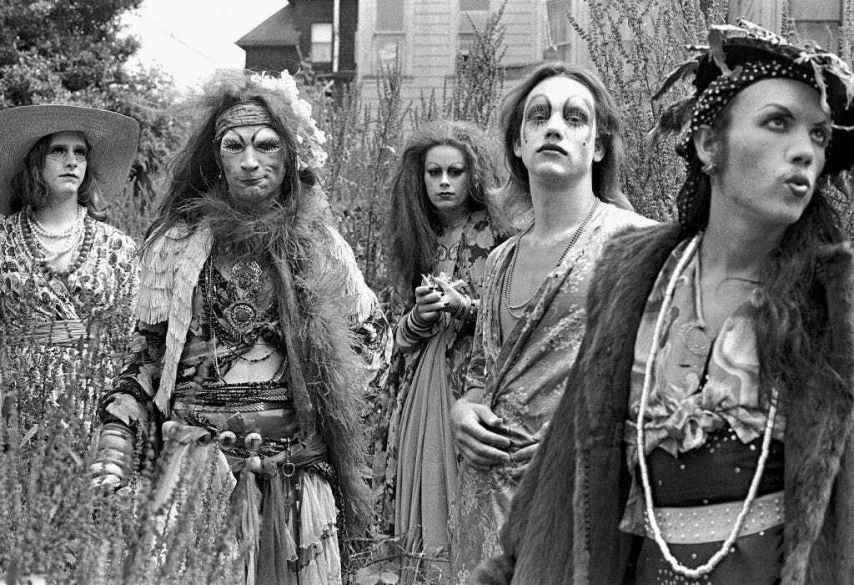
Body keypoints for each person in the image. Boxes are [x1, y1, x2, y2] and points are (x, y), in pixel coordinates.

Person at [473, 21, 854, 585]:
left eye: (819, 136)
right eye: (778, 123)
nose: (804, 151)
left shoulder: (837, 300)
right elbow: (566, 468)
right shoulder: (635, 278)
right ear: (708, 144)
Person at [90, 70, 388, 584]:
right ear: (216, 158)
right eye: (235, 146)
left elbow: (373, 344)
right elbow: (149, 358)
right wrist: (116, 437)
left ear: (289, 155)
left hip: (295, 480)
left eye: (266, 144)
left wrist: (330, 409)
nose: (250, 161)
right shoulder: (178, 246)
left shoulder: (321, 245)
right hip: (198, 474)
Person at [449, 63, 654, 582]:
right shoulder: (500, 260)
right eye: (538, 117)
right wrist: (464, 410)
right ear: (519, 144)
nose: (554, 127)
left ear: (598, 146)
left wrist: (581, 442)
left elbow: (659, 385)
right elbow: (483, 374)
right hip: (486, 500)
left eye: (574, 117)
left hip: (577, 501)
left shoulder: (635, 245)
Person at [373, 120, 505, 580]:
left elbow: (510, 317)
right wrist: (420, 315)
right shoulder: (417, 235)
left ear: (475, 176)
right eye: (434, 172)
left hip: (471, 385)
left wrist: (463, 307)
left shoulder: (499, 234)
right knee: (421, 486)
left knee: (462, 489)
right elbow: (395, 335)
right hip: (419, 387)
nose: (444, 182)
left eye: (455, 171)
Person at [0, 105, 140, 413]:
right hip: (17, 403)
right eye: (58, 151)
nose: (72, 161)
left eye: (80, 152)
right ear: (35, 161)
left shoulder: (118, 247)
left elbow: (132, 339)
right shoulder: (5, 240)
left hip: (96, 400)